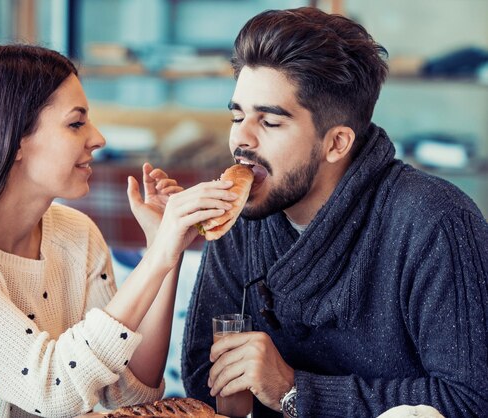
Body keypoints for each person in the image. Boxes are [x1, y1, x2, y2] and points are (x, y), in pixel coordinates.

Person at [0, 44, 238, 417]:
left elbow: (128, 394)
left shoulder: (75, 234)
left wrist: (164, 249)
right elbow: (50, 390)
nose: (98, 138)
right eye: (76, 123)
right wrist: (156, 258)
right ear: (14, 139)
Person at [181, 7, 488, 418]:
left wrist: (294, 390)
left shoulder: (436, 221)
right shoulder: (242, 213)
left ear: (337, 143)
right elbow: (204, 380)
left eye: (269, 123)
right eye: (237, 116)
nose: (241, 139)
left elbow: (471, 399)